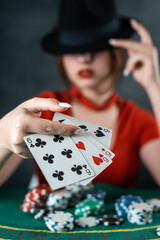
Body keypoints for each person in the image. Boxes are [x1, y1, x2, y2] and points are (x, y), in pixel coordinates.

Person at [0, 0, 160, 188]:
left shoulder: (138, 120)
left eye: (96, 47)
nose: (85, 58)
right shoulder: (44, 108)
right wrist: (3, 136)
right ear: (62, 57)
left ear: (117, 51)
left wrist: (154, 85)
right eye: (73, 48)